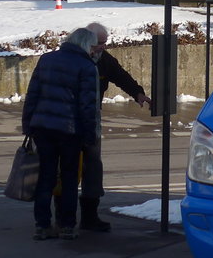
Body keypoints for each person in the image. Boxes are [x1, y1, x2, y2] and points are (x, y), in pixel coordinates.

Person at [21, 27, 102, 241]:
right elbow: (88, 106)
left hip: (43, 127)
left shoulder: (46, 59)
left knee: (45, 176)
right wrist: (89, 134)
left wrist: (27, 124)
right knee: (68, 179)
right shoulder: (86, 66)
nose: (95, 51)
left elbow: (33, 94)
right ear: (87, 45)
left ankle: (42, 225)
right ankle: (66, 225)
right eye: (94, 46)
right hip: (69, 130)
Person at [80, 21, 151, 232]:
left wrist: (137, 92)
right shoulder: (73, 59)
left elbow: (120, 75)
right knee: (67, 169)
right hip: (70, 120)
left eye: (105, 42)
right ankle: (63, 219)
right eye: (99, 43)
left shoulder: (104, 59)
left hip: (92, 119)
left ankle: (89, 218)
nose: (103, 47)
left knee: (93, 168)